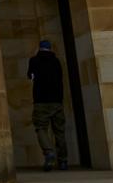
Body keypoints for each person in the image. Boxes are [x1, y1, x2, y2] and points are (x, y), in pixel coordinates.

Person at [27, 40, 68, 171]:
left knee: (40, 128)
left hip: (41, 101)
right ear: (50, 49)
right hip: (56, 101)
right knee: (59, 131)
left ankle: (49, 152)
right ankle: (63, 162)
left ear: (39, 48)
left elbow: (30, 76)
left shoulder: (34, 60)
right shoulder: (56, 62)